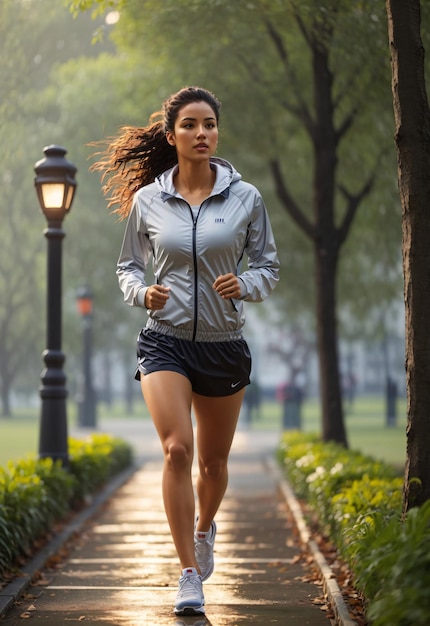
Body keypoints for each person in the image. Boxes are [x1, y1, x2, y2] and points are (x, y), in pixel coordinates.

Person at [92, 86, 279, 616]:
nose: (203, 133)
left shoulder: (247, 199)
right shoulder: (149, 201)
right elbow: (128, 266)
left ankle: (203, 528)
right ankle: (188, 575)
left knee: (214, 464)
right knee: (178, 449)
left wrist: (246, 284)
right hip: (164, 340)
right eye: (191, 125)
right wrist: (140, 292)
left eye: (210, 124)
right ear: (172, 134)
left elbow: (269, 266)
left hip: (223, 347)